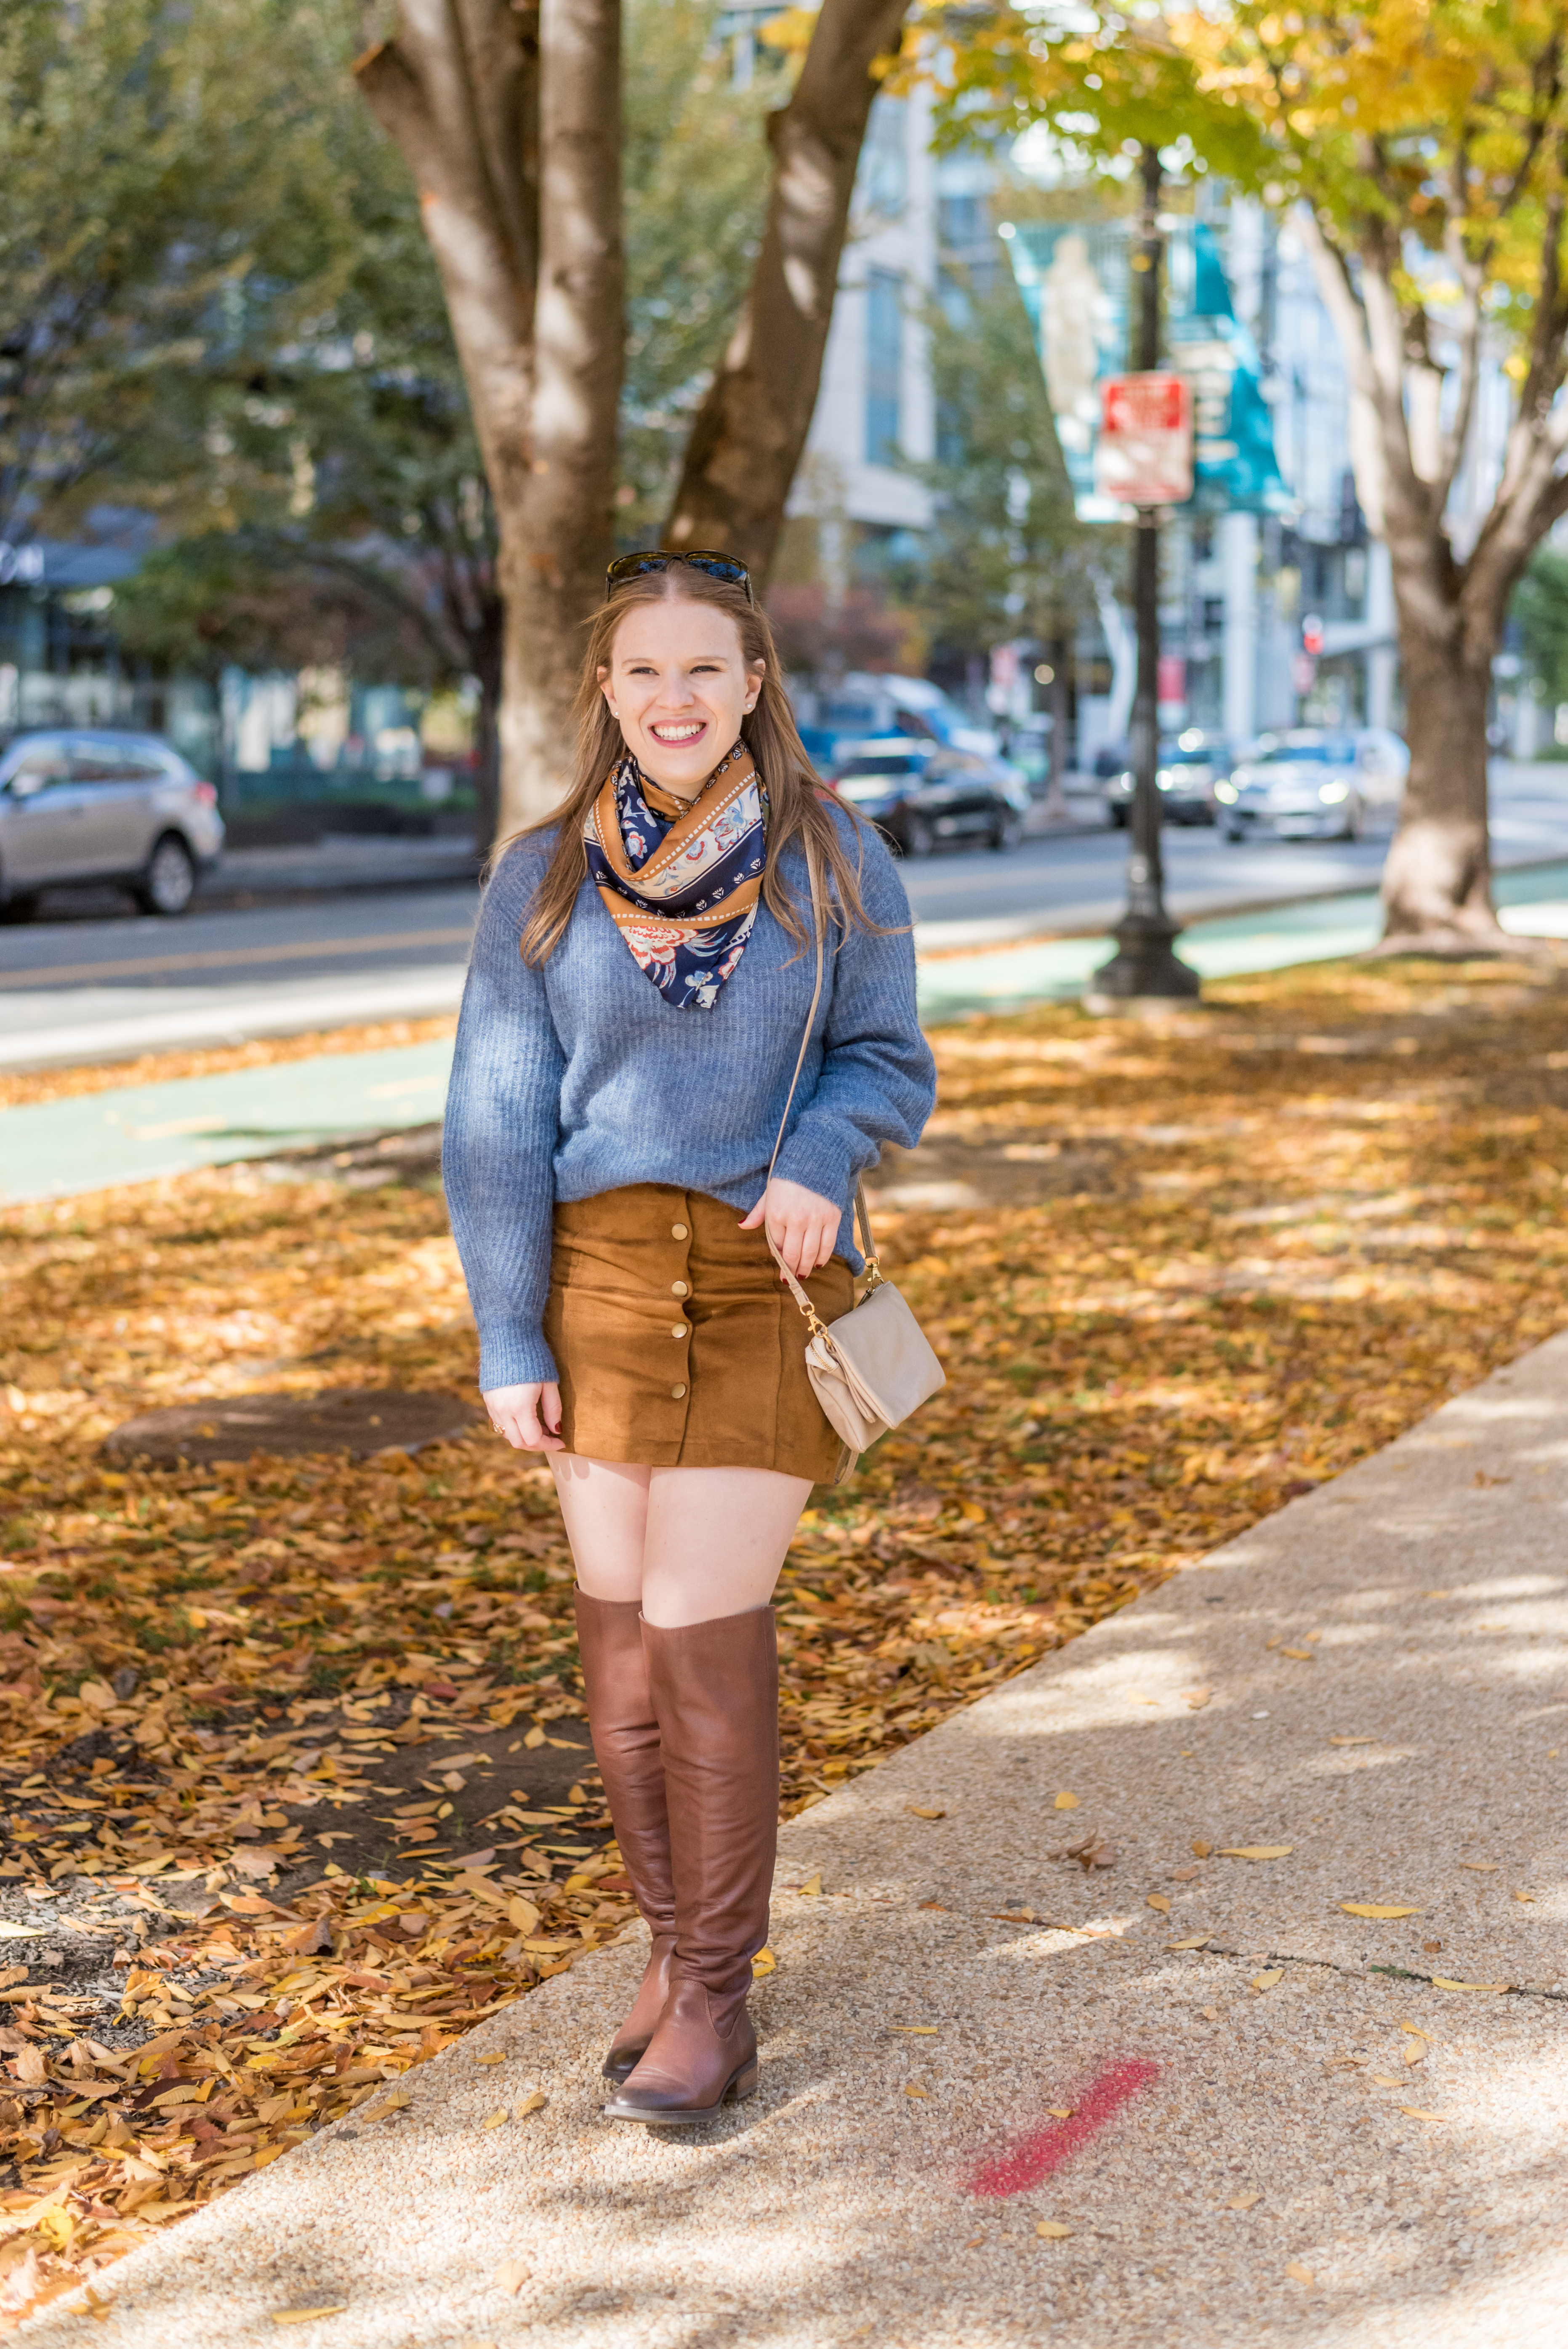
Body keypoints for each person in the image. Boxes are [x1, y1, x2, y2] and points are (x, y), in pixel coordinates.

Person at [442, 550, 936, 2125]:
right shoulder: (542, 875)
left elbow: (888, 1061)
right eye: (644, 671)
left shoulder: (836, 861)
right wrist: (507, 1328)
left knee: (701, 1633)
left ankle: (716, 1996)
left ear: (754, 685)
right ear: (607, 690)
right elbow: (496, 1121)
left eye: (705, 670)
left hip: (754, 1290)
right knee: (625, 1659)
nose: (674, 699)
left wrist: (817, 1152)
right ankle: (666, 1948)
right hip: (591, 1287)